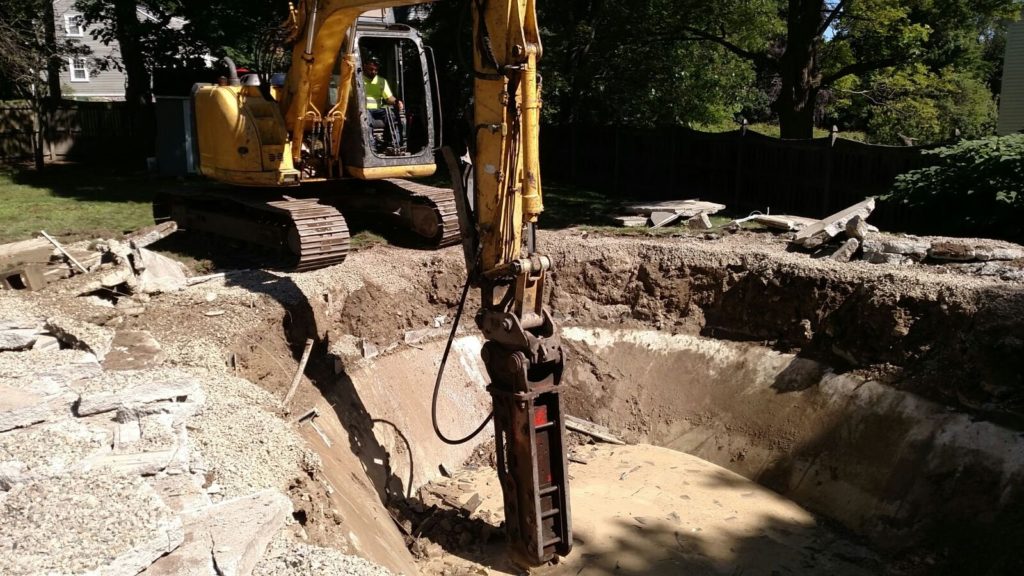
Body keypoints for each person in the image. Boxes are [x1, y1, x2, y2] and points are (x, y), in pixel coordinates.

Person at [363, 56, 405, 152]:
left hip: (378, 109)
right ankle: (371, 147)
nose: (373, 72)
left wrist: (396, 102)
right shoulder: (358, 80)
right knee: (365, 117)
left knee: (392, 114)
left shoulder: (381, 81)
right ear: (364, 66)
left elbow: (389, 98)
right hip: (364, 109)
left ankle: (394, 144)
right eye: (371, 69)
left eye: (376, 70)